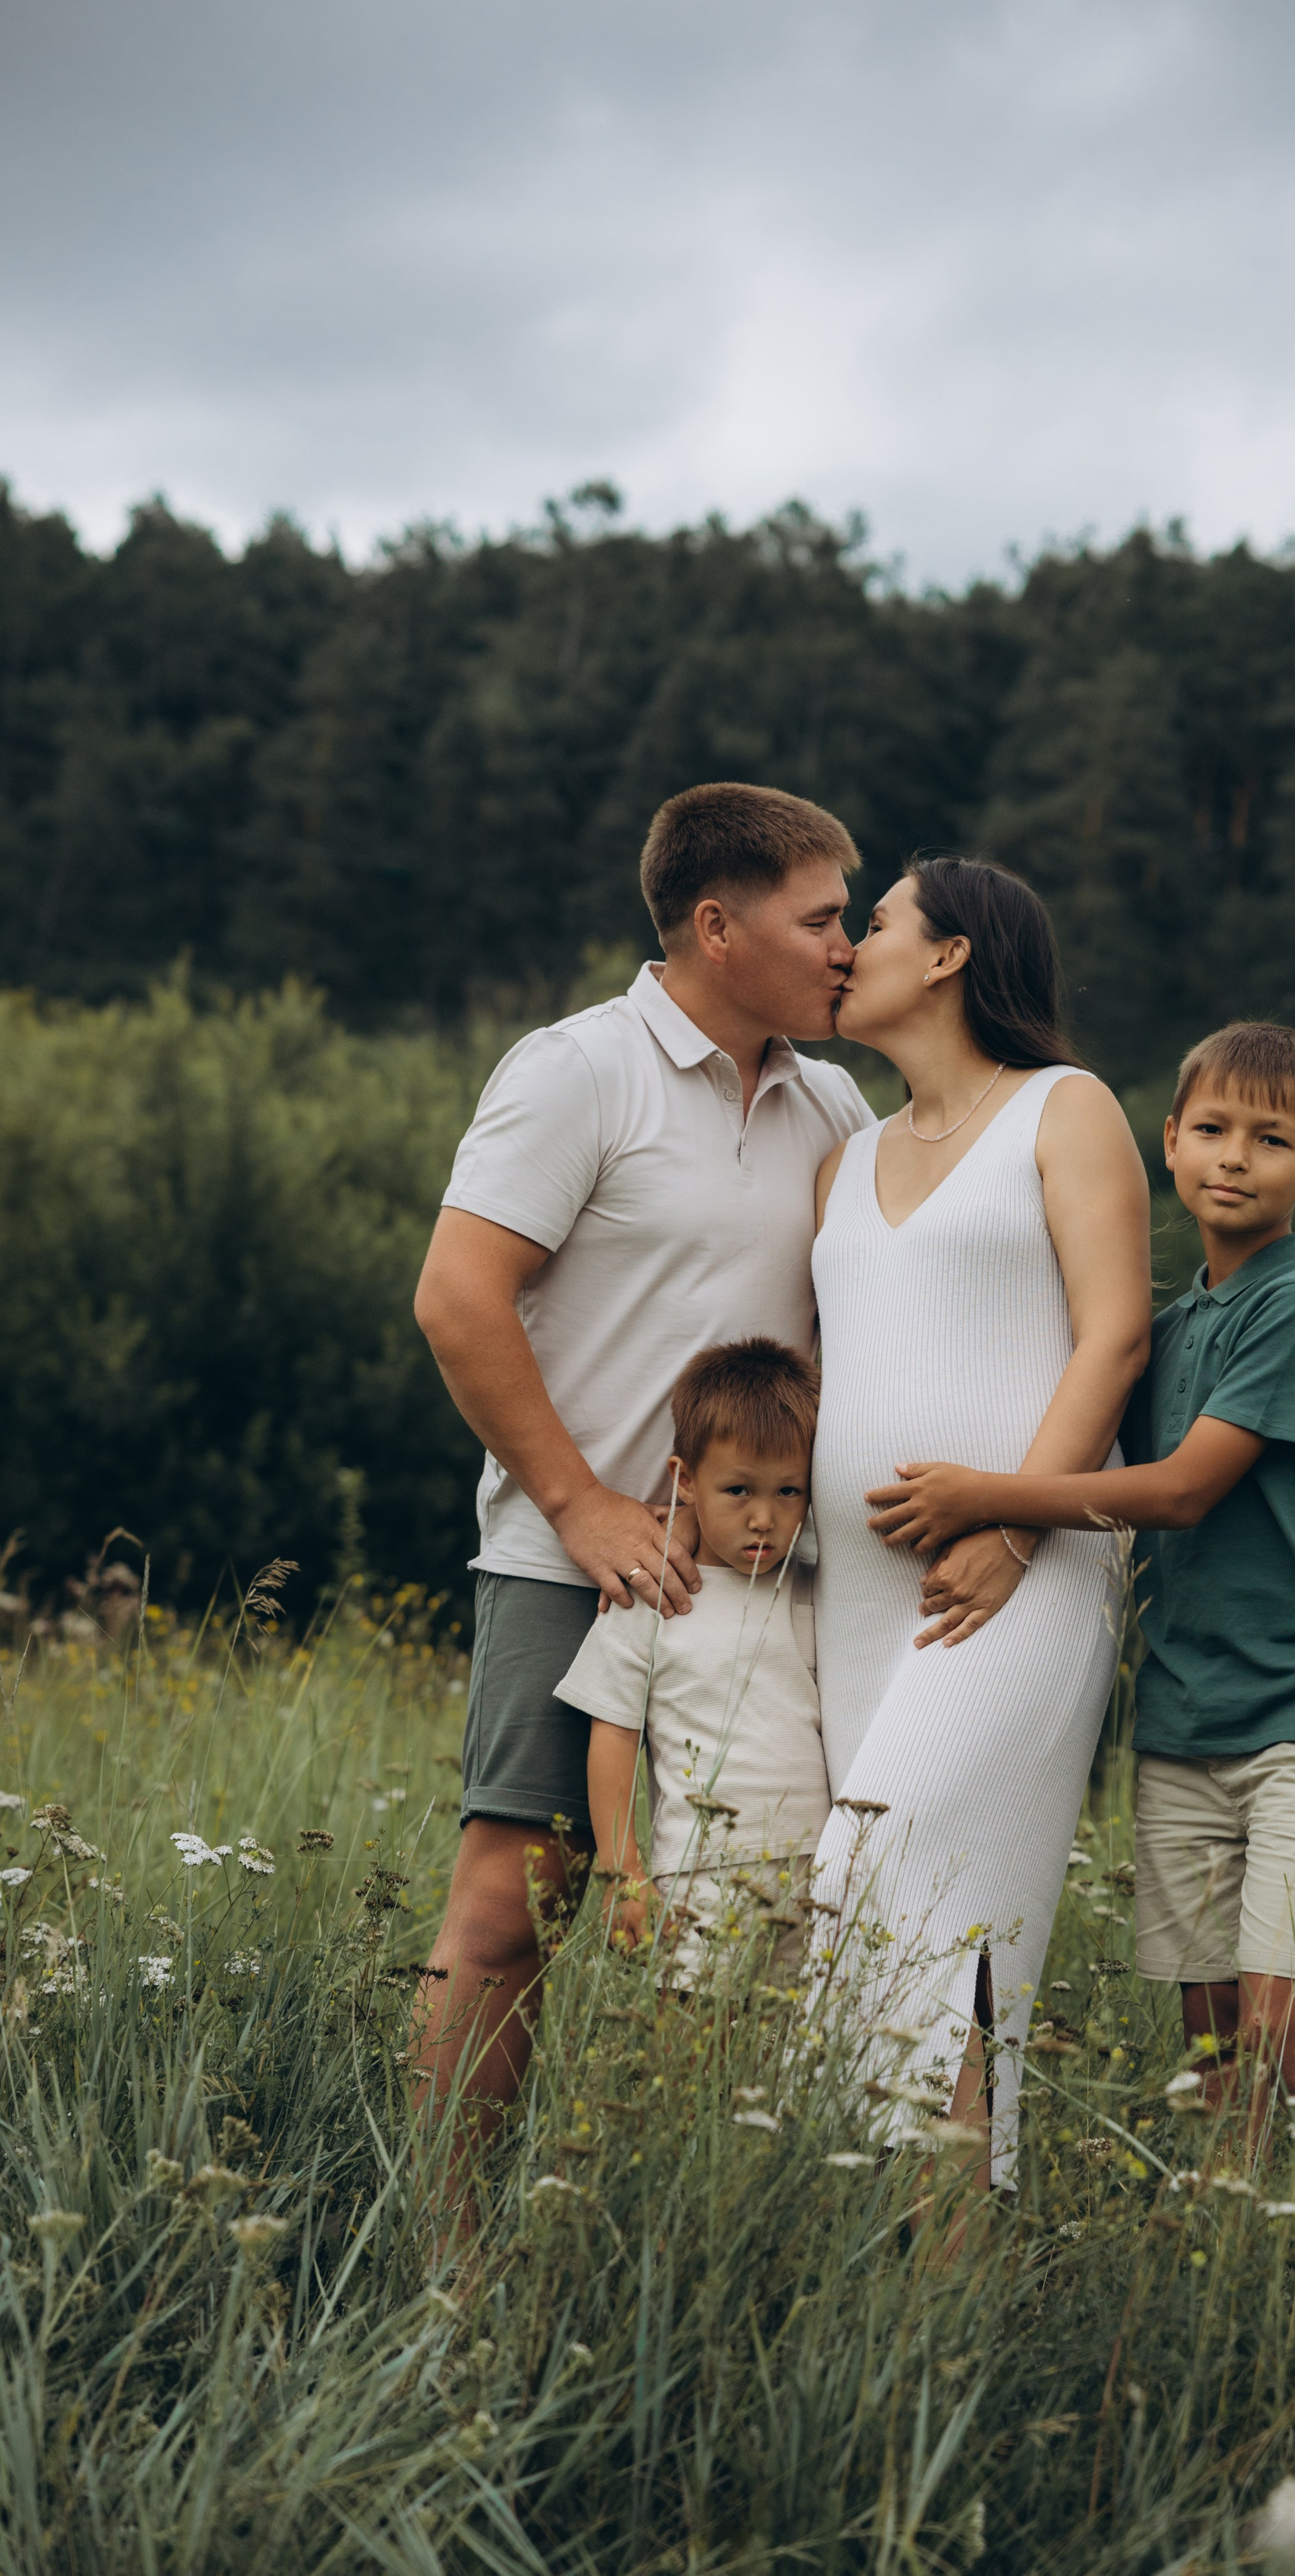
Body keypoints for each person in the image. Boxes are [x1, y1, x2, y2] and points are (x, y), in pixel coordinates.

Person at [410, 784, 872, 2145]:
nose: (847, 947)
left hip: (775, 1584)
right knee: (516, 1904)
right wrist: (580, 1505)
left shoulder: (835, 1101)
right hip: (579, 1562)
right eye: (821, 919)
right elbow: (457, 1298)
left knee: (771, 1920)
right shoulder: (577, 1070)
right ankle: (448, 2249)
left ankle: (700, 2222)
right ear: (717, 927)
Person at [868, 1019, 1295, 2176]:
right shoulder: (1170, 1330)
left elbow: (1181, 1492)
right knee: (1212, 2037)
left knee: (1288, 2018)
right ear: (1169, 1142)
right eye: (1211, 1129)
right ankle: (1238, 2241)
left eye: (1271, 1140)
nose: (1234, 1157)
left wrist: (986, 1496)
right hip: (1184, 1715)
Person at [806, 856, 1153, 2199]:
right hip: (855, 1600)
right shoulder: (843, 1162)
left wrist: (1009, 1532)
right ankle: (916, 2276)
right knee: (920, 1933)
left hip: (1022, 1573)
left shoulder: (1064, 1110)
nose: (850, 947)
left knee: (864, 1871)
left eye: (877, 922)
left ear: (950, 955)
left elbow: (1114, 1338)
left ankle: (928, 2273)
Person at [557, 1338, 828, 1985]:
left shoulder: (815, 1589)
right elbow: (613, 1736)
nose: (764, 1518)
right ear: (685, 1480)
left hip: (822, 1874)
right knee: (692, 2037)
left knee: (797, 2043)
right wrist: (623, 1870)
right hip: (701, 1875)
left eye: (789, 1491)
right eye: (737, 1490)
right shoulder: (650, 1599)